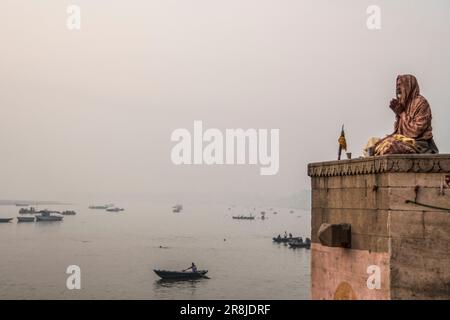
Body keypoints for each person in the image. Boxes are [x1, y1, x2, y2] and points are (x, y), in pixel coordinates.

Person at [374, 75, 439, 155]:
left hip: (419, 143)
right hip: (402, 140)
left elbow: (416, 131)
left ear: (409, 85)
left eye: (400, 85)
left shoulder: (421, 103)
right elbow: (399, 132)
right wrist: (399, 113)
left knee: (390, 147)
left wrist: (401, 113)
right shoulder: (403, 103)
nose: (398, 88)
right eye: (397, 85)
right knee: (373, 143)